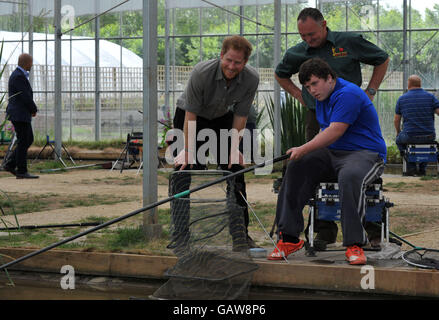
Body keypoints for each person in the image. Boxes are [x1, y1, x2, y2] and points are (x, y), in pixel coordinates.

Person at [275, 7, 389, 245]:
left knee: (352, 174)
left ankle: (371, 229)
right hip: (324, 125)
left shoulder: (348, 47)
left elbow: (382, 58)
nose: (308, 40)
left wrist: (370, 91)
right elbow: (281, 74)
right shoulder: (301, 60)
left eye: (312, 35)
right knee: (301, 165)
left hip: (357, 139)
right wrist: (303, 96)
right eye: (303, 36)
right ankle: (304, 233)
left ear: (324, 25)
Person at [268, 58, 386, 265]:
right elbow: (325, 130)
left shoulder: (347, 94)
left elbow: (335, 131)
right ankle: (288, 238)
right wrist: (303, 154)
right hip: (334, 153)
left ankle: (355, 244)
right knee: (296, 165)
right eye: (307, 86)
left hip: (366, 154)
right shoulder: (323, 97)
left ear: (329, 78)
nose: (312, 90)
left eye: (314, 83)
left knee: (349, 176)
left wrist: (303, 148)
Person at [168, 35, 260, 254]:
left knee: (234, 169)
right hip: (191, 117)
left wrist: (233, 149)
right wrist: (189, 151)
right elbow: (191, 114)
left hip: (221, 117)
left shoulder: (251, 79)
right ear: (221, 55)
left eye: (237, 62)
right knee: (184, 170)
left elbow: (240, 115)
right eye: (228, 60)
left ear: (245, 63)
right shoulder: (202, 73)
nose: (231, 66)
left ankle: (240, 235)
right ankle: (180, 237)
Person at [394, 75, 439, 176]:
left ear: (408, 84)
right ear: (420, 84)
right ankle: (422, 169)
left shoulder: (402, 99)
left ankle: (411, 167)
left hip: (410, 136)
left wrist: (398, 132)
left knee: (398, 140)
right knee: (426, 145)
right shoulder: (430, 97)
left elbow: (396, 120)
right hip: (429, 136)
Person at [3, 53, 39, 179]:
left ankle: (11, 164)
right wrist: (33, 109)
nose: (32, 64)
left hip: (19, 113)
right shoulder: (19, 76)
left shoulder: (18, 75)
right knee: (25, 140)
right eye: (30, 62)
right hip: (19, 114)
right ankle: (21, 170)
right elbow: (25, 96)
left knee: (26, 139)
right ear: (25, 62)